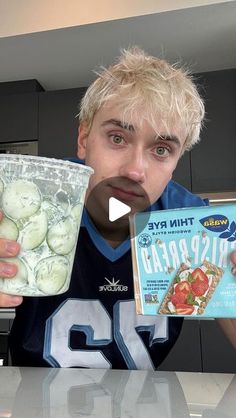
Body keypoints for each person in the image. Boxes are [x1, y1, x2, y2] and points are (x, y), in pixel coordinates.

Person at [0, 47, 235, 368]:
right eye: (117, 138)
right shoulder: (34, 201)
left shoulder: (196, 225)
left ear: (177, 160)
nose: (134, 170)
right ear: (84, 139)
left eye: (162, 149)